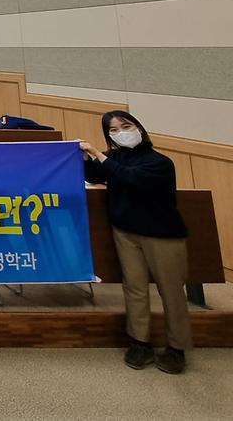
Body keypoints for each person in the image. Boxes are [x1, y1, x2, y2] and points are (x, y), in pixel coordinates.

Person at [80, 112, 192, 374]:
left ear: (138, 127)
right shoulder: (116, 157)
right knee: (134, 287)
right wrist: (86, 158)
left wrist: (98, 154)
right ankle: (140, 342)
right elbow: (97, 175)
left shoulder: (159, 162)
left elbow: (130, 178)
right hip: (125, 232)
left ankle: (177, 347)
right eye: (113, 130)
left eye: (125, 126)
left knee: (171, 291)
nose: (121, 132)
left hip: (162, 235)